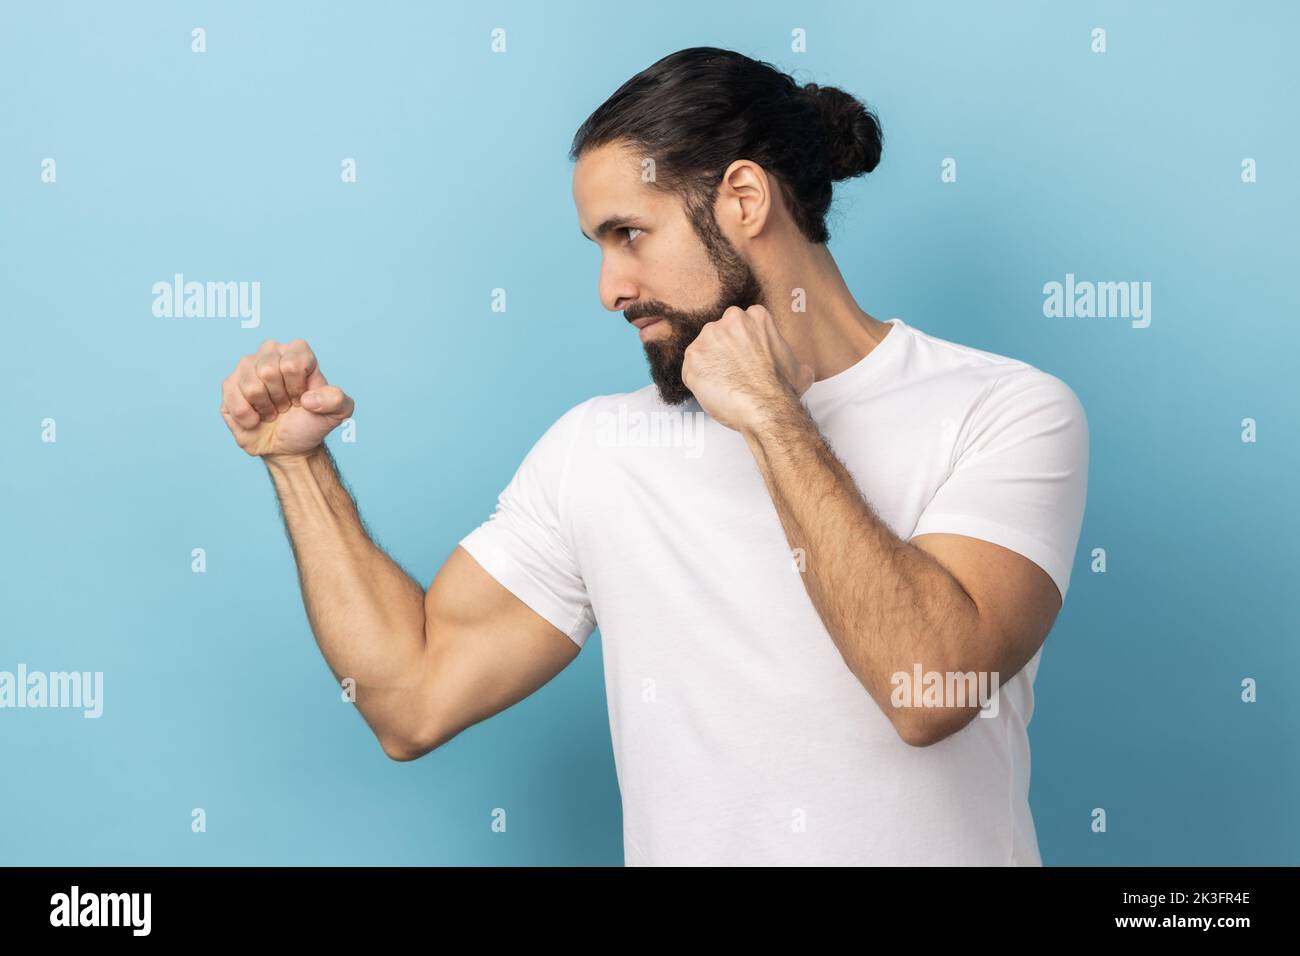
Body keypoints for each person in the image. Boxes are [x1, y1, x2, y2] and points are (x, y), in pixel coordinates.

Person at [218, 47, 1089, 865]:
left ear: (744, 200)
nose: (609, 289)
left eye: (628, 234)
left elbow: (926, 688)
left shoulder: (1002, 410)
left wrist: (771, 419)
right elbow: (413, 698)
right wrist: (300, 466)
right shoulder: (597, 450)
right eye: (598, 247)